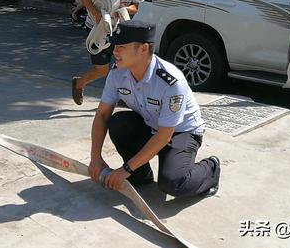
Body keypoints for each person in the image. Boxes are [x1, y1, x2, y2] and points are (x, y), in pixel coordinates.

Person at [88, 19, 221, 198]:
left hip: (181, 133)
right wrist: (95, 158)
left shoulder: (171, 81)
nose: (115, 51)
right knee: (118, 122)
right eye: (114, 45)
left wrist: (125, 169)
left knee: (173, 183)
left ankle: (210, 168)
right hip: (153, 127)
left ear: (143, 49)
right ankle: (140, 175)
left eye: (122, 46)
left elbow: (165, 135)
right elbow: (102, 114)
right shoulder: (117, 73)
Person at [71, 0, 146, 105]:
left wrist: (125, 10)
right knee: (102, 70)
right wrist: (97, 15)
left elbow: (137, 6)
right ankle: (79, 83)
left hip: (118, 28)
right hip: (97, 28)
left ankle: (122, 97)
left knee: (124, 64)